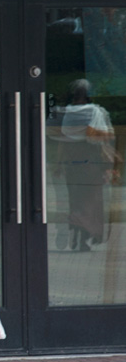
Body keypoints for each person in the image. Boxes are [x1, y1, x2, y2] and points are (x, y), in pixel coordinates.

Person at [54, 79, 116, 250]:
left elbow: (61, 141)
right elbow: (107, 137)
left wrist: (58, 165)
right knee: (92, 201)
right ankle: (85, 237)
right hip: (92, 164)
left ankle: (75, 232)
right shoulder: (97, 112)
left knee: (75, 199)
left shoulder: (65, 113)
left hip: (72, 164)